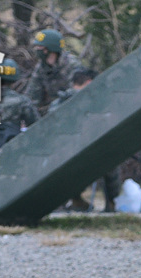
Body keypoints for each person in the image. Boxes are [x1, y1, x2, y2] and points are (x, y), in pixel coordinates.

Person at [50, 68, 120, 213]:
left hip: (60, 157)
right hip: (90, 155)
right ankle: (111, 203)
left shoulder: (58, 102)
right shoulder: (94, 102)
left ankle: (72, 200)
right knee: (111, 158)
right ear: (89, 83)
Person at [25, 29, 81, 111]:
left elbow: (79, 91)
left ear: (49, 49)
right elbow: (32, 95)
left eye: (39, 47)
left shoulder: (72, 64)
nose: (37, 49)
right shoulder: (41, 67)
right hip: (54, 112)